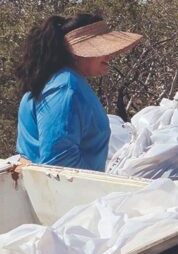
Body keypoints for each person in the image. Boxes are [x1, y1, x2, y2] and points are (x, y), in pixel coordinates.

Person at [15, 14, 142, 171]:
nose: (109, 56)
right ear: (77, 53)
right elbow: (59, 164)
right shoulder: (65, 87)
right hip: (65, 193)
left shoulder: (61, 81)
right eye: (101, 50)